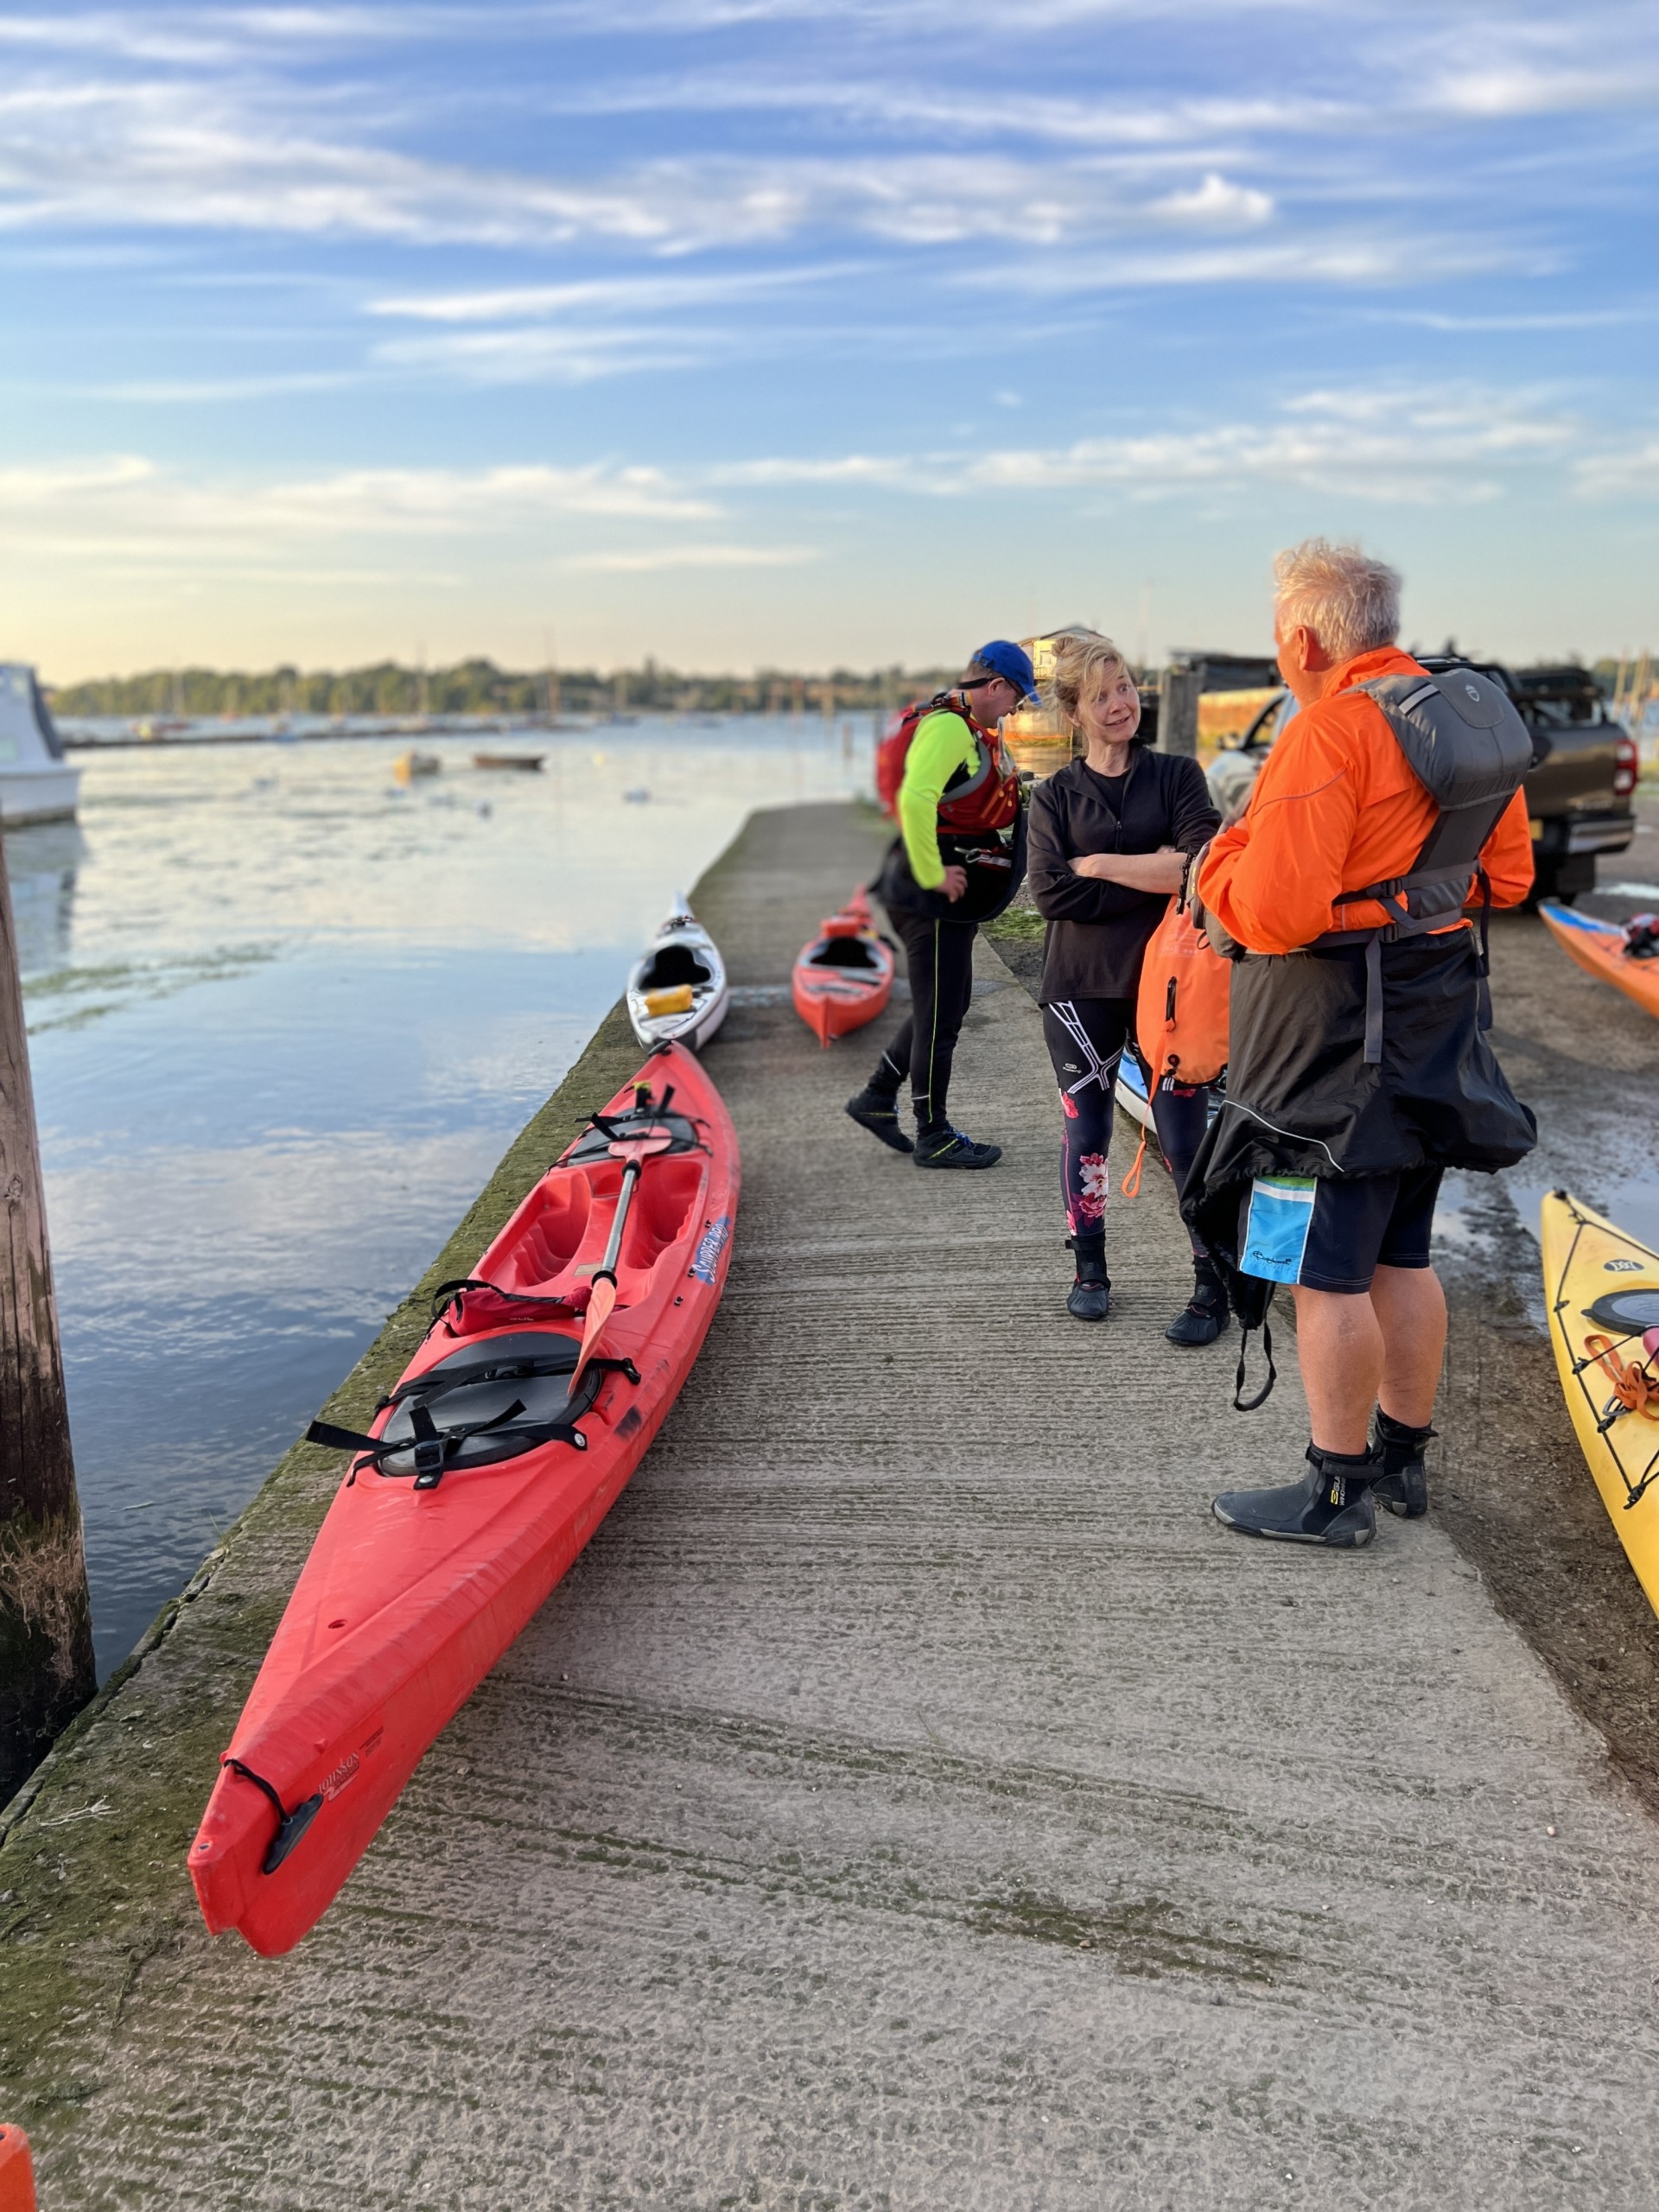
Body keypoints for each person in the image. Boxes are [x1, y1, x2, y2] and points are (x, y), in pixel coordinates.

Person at [1185, 538, 1537, 1549]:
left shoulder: (1328, 730)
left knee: (1326, 1271)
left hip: (1332, 1034)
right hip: (1435, 1018)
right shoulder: (1462, 717)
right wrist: (1402, 890)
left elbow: (1276, 913)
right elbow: (1503, 881)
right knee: (1402, 1253)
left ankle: (1334, 1493)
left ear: (1302, 636)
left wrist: (1218, 869)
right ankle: (1401, 1459)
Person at [1026, 629, 1224, 1332]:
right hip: (1080, 989)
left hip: (1173, 988)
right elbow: (1050, 896)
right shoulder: (1053, 797)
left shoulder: (1177, 776)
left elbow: (1201, 871)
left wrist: (1100, 865)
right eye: (1101, 695)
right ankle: (1090, 1269)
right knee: (1087, 1134)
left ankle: (1212, 1287)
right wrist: (1153, 865)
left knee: (1184, 1139)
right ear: (1074, 712)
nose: (1120, 704)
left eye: (1126, 687)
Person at [846, 640, 1036, 1169]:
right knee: (940, 1015)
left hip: (945, 899)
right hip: (928, 896)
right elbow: (914, 797)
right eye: (1016, 699)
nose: (1015, 711)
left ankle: (878, 1098)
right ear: (995, 687)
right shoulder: (950, 727)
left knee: (945, 1005)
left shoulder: (968, 725)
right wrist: (935, 874)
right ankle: (934, 1133)